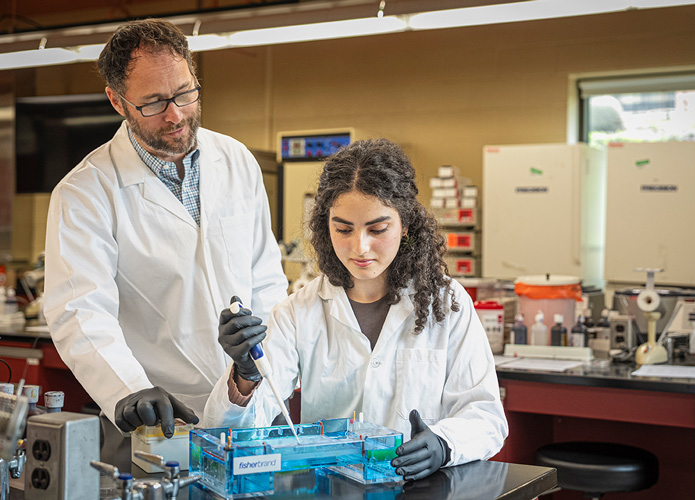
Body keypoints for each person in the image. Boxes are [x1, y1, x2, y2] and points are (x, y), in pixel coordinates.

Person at [43, 19, 288, 446]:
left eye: (184, 93)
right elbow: (81, 311)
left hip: (249, 404)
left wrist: (259, 370)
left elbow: (266, 278)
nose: (176, 115)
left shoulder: (236, 160)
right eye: (154, 103)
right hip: (158, 417)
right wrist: (127, 390)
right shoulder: (85, 191)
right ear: (117, 102)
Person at [204, 138, 508, 481]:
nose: (359, 247)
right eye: (343, 229)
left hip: (419, 488)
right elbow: (226, 433)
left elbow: (485, 416)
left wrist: (444, 444)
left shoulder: (446, 304)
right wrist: (246, 375)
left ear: (405, 225)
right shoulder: (298, 312)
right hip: (331, 488)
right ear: (325, 226)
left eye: (378, 229)